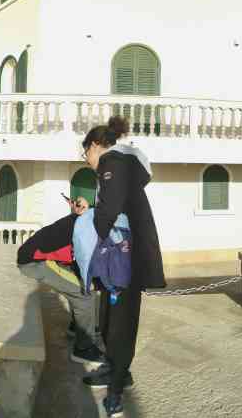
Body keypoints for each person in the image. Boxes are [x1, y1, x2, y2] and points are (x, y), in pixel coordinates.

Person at [79, 116, 166, 417]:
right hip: (121, 257)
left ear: (94, 146)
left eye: (85, 153)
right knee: (110, 319)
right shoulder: (117, 166)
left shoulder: (112, 164)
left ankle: (116, 390)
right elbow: (112, 209)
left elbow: (110, 212)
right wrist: (91, 212)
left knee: (121, 325)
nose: (86, 160)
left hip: (126, 259)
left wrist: (91, 227)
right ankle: (115, 371)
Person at [16, 195, 106, 367]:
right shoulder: (84, 227)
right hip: (35, 262)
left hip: (41, 257)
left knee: (80, 284)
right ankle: (84, 349)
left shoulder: (82, 220)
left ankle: (78, 327)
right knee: (84, 294)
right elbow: (84, 260)